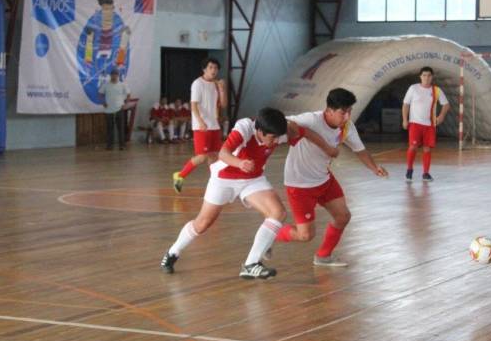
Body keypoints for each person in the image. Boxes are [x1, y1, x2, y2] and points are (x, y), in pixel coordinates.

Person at [161, 107, 337, 279]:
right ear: (259, 131)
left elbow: (306, 133)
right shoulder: (245, 127)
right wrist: (239, 163)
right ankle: (172, 252)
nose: (276, 141)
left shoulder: (283, 130)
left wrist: (328, 148)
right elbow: (223, 153)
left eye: (278, 137)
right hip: (224, 178)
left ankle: (251, 264)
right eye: (272, 138)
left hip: (253, 179)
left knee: (278, 213)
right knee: (203, 223)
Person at [273, 88, 388, 267]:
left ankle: (323, 256)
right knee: (305, 236)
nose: (347, 117)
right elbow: (286, 124)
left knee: (343, 216)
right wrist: (324, 145)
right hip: (300, 184)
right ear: (329, 111)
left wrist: (374, 168)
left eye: (350, 111)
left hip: (324, 180)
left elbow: (360, 150)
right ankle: (269, 235)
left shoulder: (347, 127)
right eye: (343, 112)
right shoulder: (311, 119)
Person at [173, 58, 227, 193]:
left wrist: (222, 90)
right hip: (201, 126)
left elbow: (224, 104)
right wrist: (200, 121)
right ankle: (180, 175)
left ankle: (216, 184)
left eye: (215, 68)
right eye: (210, 67)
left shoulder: (216, 84)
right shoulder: (197, 84)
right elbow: (194, 105)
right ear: (204, 69)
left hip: (214, 125)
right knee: (202, 156)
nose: (213, 70)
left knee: (215, 156)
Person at [402, 66, 450, 182]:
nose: (426, 78)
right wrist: (405, 119)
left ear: (432, 77)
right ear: (420, 76)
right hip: (415, 123)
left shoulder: (436, 90)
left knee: (427, 149)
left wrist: (441, 116)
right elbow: (406, 104)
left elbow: (446, 104)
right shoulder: (413, 88)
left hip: (429, 125)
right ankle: (409, 170)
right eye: (424, 75)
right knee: (413, 146)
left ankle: (426, 173)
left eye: (429, 76)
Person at [98, 68, 130, 150]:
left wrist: (125, 104)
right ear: (110, 76)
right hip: (108, 110)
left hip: (119, 109)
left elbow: (128, 94)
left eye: (116, 75)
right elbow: (100, 94)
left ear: (118, 75)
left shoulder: (122, 85)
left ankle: (122, 145)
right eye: (113, 75)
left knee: (121, 128)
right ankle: (110, 145)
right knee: (109, 129)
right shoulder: (106, 85)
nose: (114, 76)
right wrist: (103, 102)